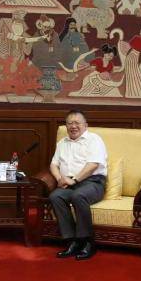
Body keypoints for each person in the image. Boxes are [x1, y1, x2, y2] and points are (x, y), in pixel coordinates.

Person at [49, 110, 107, 260]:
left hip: (93, 182)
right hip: (69, 184)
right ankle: (72, 241)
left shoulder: (94, 140)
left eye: (77, 123)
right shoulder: (62, 143)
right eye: (69, 123)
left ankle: (87, 242)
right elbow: (53, 164)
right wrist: (59, 179)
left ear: (85, 125)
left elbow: (93, 164)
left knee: (78, 195)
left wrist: (74, 180)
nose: (73, 126)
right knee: (55, 196)